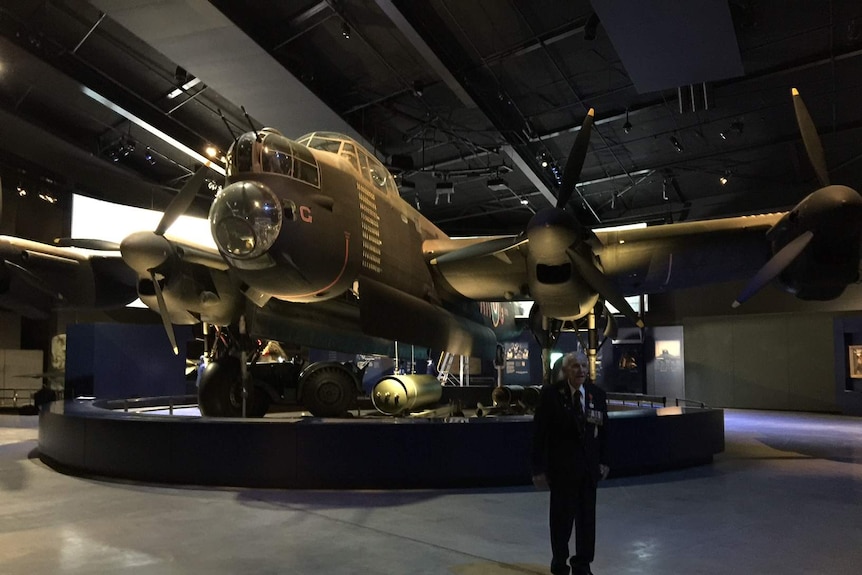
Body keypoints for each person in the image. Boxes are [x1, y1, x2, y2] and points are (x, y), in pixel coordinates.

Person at [532, 351, 610, 575]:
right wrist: (538, 468)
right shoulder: (551, 395)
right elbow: (539, 435)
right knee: (561, 520)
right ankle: (559, 560)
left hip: (588, 470)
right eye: (576, 366)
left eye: (584, 366)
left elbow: (605, 432)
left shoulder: (597, 395)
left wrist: (604, 461)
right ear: (566, 371)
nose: (581, 370)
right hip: (562, 471)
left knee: (587, 521)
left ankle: (582, 564)